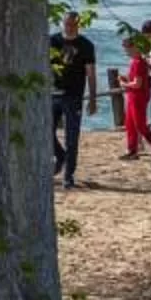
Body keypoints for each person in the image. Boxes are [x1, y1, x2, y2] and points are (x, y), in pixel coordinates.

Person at [47, 12, 98, 189]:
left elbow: (90, 73)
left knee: (72, 135)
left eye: (73, 25)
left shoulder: (86, 45)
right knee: (46, 131)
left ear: (78, 25)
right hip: (52, 93)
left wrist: (92, 98)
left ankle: (68, 175)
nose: (69, 27)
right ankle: (60, 155)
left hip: (74, 95)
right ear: (62, 23)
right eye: (67, 24)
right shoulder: (52, 41)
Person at [121, 20, 151, 163]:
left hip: (138, 96)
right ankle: (132, 150)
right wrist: (127, 80)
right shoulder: (135, 61)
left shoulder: (140, 62)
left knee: (141, 125)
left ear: (135, 47)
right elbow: (135, 80)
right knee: (130, 123)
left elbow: (138, 83)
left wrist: (124, 83)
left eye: (128, 49)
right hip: (132, 95)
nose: (127, 52)